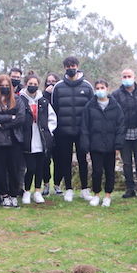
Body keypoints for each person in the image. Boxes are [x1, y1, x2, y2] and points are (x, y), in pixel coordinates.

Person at [53, 56, 94, 202]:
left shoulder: (87, 86)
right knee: (66, 160)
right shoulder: (58, 87)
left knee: (83, 160)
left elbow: (92, 109)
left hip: (82, 131)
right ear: (64, 68)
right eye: (68, 66)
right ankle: (68, 189)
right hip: (63, 132)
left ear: (78, 66)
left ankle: (84, 189)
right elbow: (54, 110)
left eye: (73, 65)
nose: (71, 68)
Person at [81, 80, 126, 207]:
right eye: (97, 88)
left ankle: (107, 196)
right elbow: (85, 127)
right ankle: (96, 195)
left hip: (111, 145)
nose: (100, 90)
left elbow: (120, 127)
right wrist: (86, 144)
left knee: (110, 172)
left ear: (107, 89)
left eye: (102, 87)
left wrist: (118, 145)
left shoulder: (115, 106)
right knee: (96, 172)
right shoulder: (89, 106)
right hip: (95, 145)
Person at [0, 74, 26, 207]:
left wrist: (2, 125)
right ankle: (4, 195)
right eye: (1, 86)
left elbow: (20, 118)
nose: (4, 88)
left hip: (14, 139)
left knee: (14, 169)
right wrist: (9, 117)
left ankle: (14, 195)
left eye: (6, 86)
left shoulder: (17, 100)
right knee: (0, 169)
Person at [19, 71, 57, 204]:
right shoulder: (20, 100)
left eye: (35, 84)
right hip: (27, 139)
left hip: (41, 138)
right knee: (31, 167)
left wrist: (48, 132)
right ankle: (26, 192)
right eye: (30, 84)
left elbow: (52, 118)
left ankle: (37, 191)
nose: (33, 86)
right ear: (26, 84)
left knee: (40, 167)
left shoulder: (43, 101)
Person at [111, 68, 137, 200]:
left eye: (129, 76)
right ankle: (130, 188)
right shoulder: (115, 95)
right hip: (123, 134)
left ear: (135, 77)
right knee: (126, 163)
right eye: (124, 76)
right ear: (121, 78)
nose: (127, 78)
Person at [40, 73, 62, 196]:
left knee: (59, 159)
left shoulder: (60, 93)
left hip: (60, 131)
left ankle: (57, 184)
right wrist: (47, 94)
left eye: (53, 81)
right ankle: (46, 183)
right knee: (45, 159)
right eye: (48, 81)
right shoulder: (42, 96)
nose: (51, 84)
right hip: (46, 132)